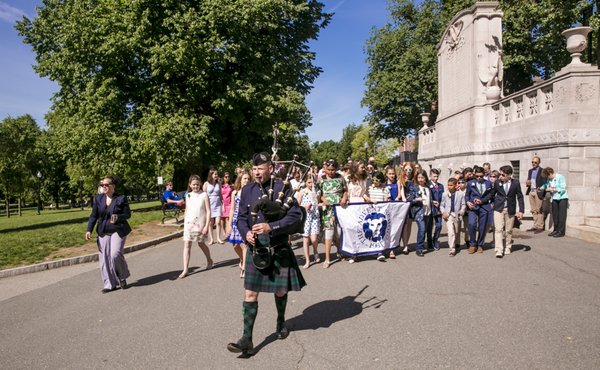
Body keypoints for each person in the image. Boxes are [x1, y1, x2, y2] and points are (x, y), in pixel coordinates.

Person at [227, 152, 306, 356]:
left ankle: (280, 322)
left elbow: (296, 217)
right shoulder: (247, 190)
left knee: (280, 290)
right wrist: (246, 234)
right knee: (250, 293)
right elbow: (241, 218)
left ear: (270, 169)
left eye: (260, 169)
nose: (256, 173)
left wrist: (272, 227)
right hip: (256, 248)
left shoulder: (283, 187)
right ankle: (247, 339)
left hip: (277, 244)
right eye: (254, 169)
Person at [85, 175, 131, 293]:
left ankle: (122, 276)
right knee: (104, 258)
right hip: (103, 231)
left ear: (113, 186)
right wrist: (89, 229)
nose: (103, 187)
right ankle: (109, 284)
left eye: (106, 185)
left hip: (118, 229)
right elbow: (94, 215)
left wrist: (118, 217)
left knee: (115, 254)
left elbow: (128, 214)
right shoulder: (98, 198)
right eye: (102, 185)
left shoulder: (121, 198)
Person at [482, 165, 524, 258]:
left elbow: (520, 197)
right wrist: (482, 200)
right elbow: (492, 194)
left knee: (508, 230)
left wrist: (521, 210)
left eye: (503, 175)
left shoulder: (515, 183)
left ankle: (508, 246)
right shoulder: (497, 182)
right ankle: (499, 249)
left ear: (509, 175)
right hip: (498, 208)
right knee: (498, 229)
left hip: (510, 209)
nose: (500, 176)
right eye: (500, 174)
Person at [179, 175, 213, 278]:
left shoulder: (204, 195)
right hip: (189, 224)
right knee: (187, 245)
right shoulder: (188, 195)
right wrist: (185, 222)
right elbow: (187, 209)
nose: (195, 186)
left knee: (201, 244)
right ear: (190, 184)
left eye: (197, 184)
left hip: (200, 224)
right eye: (193, 184)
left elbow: (208, 211)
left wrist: (206, 226)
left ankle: (209, 259)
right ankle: (185, 269)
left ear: (200, 184)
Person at [318, 159, 348, 268]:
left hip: (339, 209)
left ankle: (340, 251)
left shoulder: (340, 178)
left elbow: (345, 190)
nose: (331, 172)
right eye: (329, 169)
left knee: (339, 233)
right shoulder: (321, 180)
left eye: (333, 169)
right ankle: (327, 258)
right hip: (327, 211)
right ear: (325, 169)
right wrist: (323, 199)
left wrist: (344, 198)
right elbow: (318, 193)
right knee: (329, 234)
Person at [227, 170, 251, 278]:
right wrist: (229, 224)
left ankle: (245, 268)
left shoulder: (251, 192)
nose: (246, 180)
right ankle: (242, 258)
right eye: (244, 178)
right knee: (235, 245)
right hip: (236, 219)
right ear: (240, 180)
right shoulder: (235, 193)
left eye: (248, 179)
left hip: (245, 219)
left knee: (244, 244)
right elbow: (232, 209)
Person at [465, 166, 493, 254]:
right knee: (471, 224)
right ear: (474, 175)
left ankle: (480, 244)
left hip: (484, 206)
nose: (479, 178)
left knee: (482, 227)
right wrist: (467, 202)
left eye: (481, 176)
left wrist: (483, 201)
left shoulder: (488, 183)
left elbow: (490, 195)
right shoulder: (470, 183)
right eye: (477, 176)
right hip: (473, 207)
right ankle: (472, 244)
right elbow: (467, 195)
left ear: (484, 175)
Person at [296, 174, 321, 269]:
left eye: (312, 182)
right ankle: (307, 260)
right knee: (306, 239)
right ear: (305, 183)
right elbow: (296, 206)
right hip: (305, 217)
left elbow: (316, 203)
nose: (311, 184)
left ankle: (315, 250)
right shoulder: (302, 192)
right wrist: (304, 207)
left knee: (314, 239)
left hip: (314, 216)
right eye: (309, 182)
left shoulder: (316, 192)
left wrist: (320, 204)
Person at [367, 171, 391, 261]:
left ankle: (379, 251)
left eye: (377, 180)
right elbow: (366, 197)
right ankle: (371, 250)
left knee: (379, 232)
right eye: (373, 180)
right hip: (370, 213)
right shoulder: (370, 188)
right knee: (371, 232)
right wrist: (369, 200)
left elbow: (386, 200)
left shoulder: (385, 189)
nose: (375, 182)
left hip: (381, 214)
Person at [539, 167, 568, 238]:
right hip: (554, 198)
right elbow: (546, 185)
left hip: (562, 198)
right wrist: (541, 188)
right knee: (555, 215)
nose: (548, 178)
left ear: (550, 173)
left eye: (548, 176)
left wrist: (552, 189)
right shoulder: (549, 179)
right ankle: (556, 229)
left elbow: (563, 188)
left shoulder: (560, 177)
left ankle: (561, 232)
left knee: (561, 216)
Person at [440, 178, 466, 256]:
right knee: (451, 232)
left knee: (456, 231)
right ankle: (452, 249)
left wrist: (462, 211)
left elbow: (463, 204)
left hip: (457, 215)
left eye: (451, 185)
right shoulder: (444, 194)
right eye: (448, 185)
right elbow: (442, 205)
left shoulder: (460, 194)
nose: (449, 187)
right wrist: (443, 212)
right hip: (449, 215)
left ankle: (456, 243)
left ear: (455, 185)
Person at [412, 169, 432, 257]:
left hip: (428, 211)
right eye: (419, 177)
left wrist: (433, 202)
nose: (420, 179)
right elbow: (409, 199)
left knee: (424, 230)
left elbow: (429, 198)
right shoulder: (415, 187)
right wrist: (416, 199)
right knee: (422, 229)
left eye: (422, 177)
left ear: (425, 178)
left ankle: (422, 244)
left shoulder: (428, 188)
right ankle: (419, 248)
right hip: (419, 212)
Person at [203, 168, 225, 244]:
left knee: (218, 222)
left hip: (217, 204)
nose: (216, 175)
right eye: (215, 174)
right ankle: (212, 239)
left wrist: (223, 204)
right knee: (210, 223)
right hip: (209, 204)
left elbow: (220, 194)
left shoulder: (218, 183)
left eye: (217, 174)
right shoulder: (206, 184)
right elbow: (204, 195)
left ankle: (219, 238)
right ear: (211, 175)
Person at [526, 156, 546, 233]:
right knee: (533, 210)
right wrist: (527, 183)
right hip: (531, 191)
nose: (533, 164)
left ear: (539, 163)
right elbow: (529, 180)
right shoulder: (530, 171)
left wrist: (541, 189)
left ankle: (540, 226)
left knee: (539, 209)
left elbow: (545, 182)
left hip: (538, 192)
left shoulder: (542, 171)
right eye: (532, 162)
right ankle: (535, 225)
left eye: (535, 162)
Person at [427, 168, 444, 251]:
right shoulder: (427, 185)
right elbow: (426, 197)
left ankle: (435, 239)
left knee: (439, 225)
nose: (436, 178)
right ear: (430, 176)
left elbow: (443, 198)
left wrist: (441, 205)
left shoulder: (441, 186)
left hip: (439, 209)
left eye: (437, 176)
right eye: (434, 176)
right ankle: (429, 242)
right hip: (430, 208)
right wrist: (432, 201)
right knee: (429, 226)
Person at [221, 172, 233, 240]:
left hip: (229, 203)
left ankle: (228, 232)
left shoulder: (231, 185)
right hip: (222, 203)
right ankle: (223, 231)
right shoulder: (220, 185)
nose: (227, 178)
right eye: (226, 177)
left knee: (228, 219)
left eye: (228, 177)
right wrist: (222, 203)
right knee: (222, 219)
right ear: (223, 177)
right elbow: (219, 195)